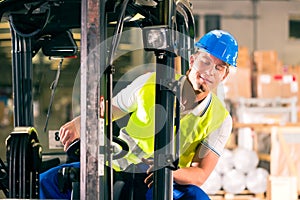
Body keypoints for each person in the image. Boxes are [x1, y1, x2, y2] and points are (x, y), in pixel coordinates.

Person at [39, 29, 239, 199]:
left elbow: (201, 173)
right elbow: (108, 111)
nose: (209, 71)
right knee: (50, 181)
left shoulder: (220, 119)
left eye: (219, 67)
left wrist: (171, 173)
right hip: (116, 164)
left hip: (159, 180)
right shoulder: (151, 82)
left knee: (196, 197)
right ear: (193, 60)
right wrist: (80, 121)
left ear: (225, 75)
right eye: (205, 61)